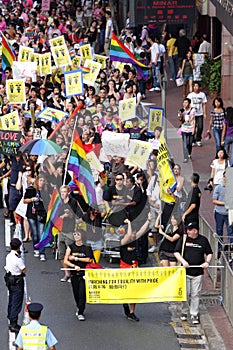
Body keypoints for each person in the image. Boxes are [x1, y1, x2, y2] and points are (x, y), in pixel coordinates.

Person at [174, 222, 213, 324]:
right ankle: (184, 312)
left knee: (196, 294)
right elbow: (176, 252)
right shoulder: (184, 239)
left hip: (198, 272)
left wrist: (207, 262)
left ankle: (194, 314)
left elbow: (209, 253)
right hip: (185, 272)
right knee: (185, 294)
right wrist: (183, 261)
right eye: (188, 229)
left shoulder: (203, 240)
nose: (188, 231)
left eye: (190, 230)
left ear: (195, 231)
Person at [120, 216, 151, 321]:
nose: (133, 235)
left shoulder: (135, 238)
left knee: (134, 291)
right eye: (132, 233)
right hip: (125, 268)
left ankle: (132, 312)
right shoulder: (123, 241)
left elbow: (142, 231)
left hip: (134, 268)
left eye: (134, 233)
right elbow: (128, 235)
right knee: (125, 290)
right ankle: (125, 304)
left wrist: (148, 220)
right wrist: (128, 223)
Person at [64, 229, 93, 321]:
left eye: (78, 234)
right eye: (75, 234)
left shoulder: (87, 247)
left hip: (84, 273)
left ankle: (81, 311)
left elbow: (88, 259)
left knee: (82, 293)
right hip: (74, 273)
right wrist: (73, 266)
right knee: (76, 292)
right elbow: (66, 260)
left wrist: (76, 259)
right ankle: (79, 306)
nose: (76, 236)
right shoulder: (70, 247)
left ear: (82, 236)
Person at [58, 185, 82, 282]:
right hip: (61, 231)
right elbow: (56, 216)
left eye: (64, 192)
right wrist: (63, 216)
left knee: (70, 254)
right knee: (61, 254)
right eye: (61, 192)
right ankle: (66, 273)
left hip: (70, 231)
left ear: (68, 192)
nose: (63, 194)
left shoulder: (73, 202)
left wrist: (73, 217)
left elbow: (80, 215)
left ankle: (72, 274)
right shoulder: (59, 203)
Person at [4, 238, 26, 333]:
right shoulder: (17, 259)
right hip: (17, 281)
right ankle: (13, 323)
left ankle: (10, 316)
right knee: (16, 301)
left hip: (9, 279)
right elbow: (23, 269)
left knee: (12, 299)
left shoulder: (9, 256)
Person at [212, 171, 233, 251]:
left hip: (229, 213)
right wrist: (224, 203)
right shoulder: (218, 188)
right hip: (219, 213)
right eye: (225, 177)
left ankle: (231, 249)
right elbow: (214, 200)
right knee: (219, 230)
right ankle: (219, 248)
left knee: (230, 231)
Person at [187, 81, 207, 147]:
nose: (195, 88)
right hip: (192, 114)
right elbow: (187, 104)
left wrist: (204, 113)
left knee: (200, 126)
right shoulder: (190, 95)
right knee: (193, 127)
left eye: (197, 86)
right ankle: (192, 140)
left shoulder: (202, 95)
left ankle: (198, 139)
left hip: (200, 113)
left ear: (199, 87)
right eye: (194, 86)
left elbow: (204, 104)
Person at [178, 97, 196, 163]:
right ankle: (185, 157)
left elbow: (194, 119)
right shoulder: (182, 110)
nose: (184, 104)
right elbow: (180, 120)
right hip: (184, 129)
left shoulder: (193, 110)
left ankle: (189, 153)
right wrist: (180, 115)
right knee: (184, 144)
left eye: (186, 102)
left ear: (189, 103)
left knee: (190, 143)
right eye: (184, 102)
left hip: (191, 128)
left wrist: (194, 129)